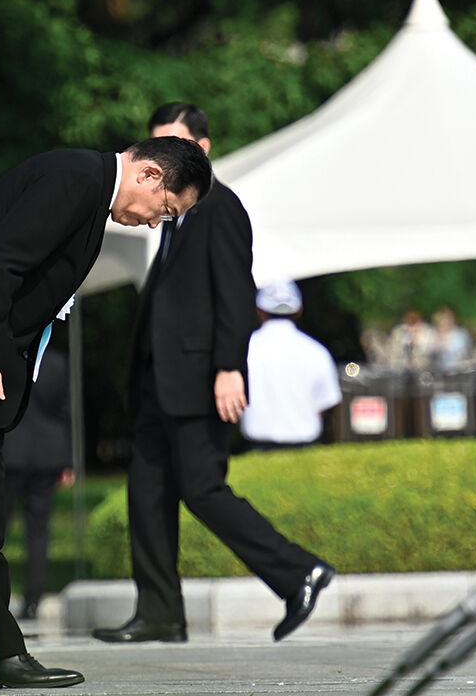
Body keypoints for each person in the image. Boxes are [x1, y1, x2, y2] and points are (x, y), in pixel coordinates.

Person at [0, 136, 212, 689]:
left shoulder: (87, 184)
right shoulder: (78, 181)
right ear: (150, 176)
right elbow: (1, 260)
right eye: (165, 210)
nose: (155, 223)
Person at [93, 103, 334, 646]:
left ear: (202, 148)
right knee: (146, 495)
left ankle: (299, 571)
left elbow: (235, 294)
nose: (163, 157)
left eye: (175, 144)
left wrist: (230, 367)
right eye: (156, 145)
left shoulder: (219, 207)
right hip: (159, 380)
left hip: (199, 380)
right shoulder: (174, 212)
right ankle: (159, 613)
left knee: (203, 490)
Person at [2, 347, 73, 621]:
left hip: (11, 451)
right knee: (39, 531)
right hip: (48, 452)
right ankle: (34, 599)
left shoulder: (6, 357)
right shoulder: (57, 363)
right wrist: (68, 461)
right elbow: (66, 412)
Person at [240, 279, 342, 450]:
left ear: (259, 310)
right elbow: (325, 402)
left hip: (256, 446)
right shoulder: (316, 351)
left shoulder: (245, 349)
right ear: (299, 310)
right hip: (305, 445)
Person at [431, 306, 471, 370]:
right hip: (437, 368)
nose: (445, 322)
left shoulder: (460, 334)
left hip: (457, 368)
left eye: (448, 319)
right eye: (442, 320)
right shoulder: (432, 333)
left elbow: (463, 352)